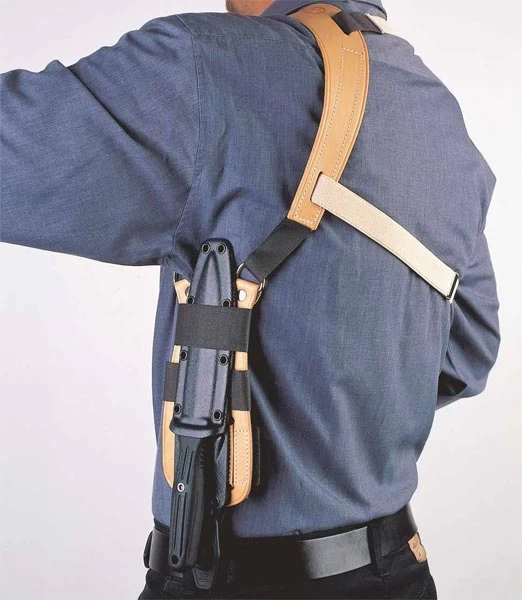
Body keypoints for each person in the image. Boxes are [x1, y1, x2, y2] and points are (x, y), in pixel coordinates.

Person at [0, 1, 500, 598]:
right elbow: (467, 356)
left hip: (236, 580)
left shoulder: (206, 65)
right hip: (399, 572)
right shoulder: (444, 120)